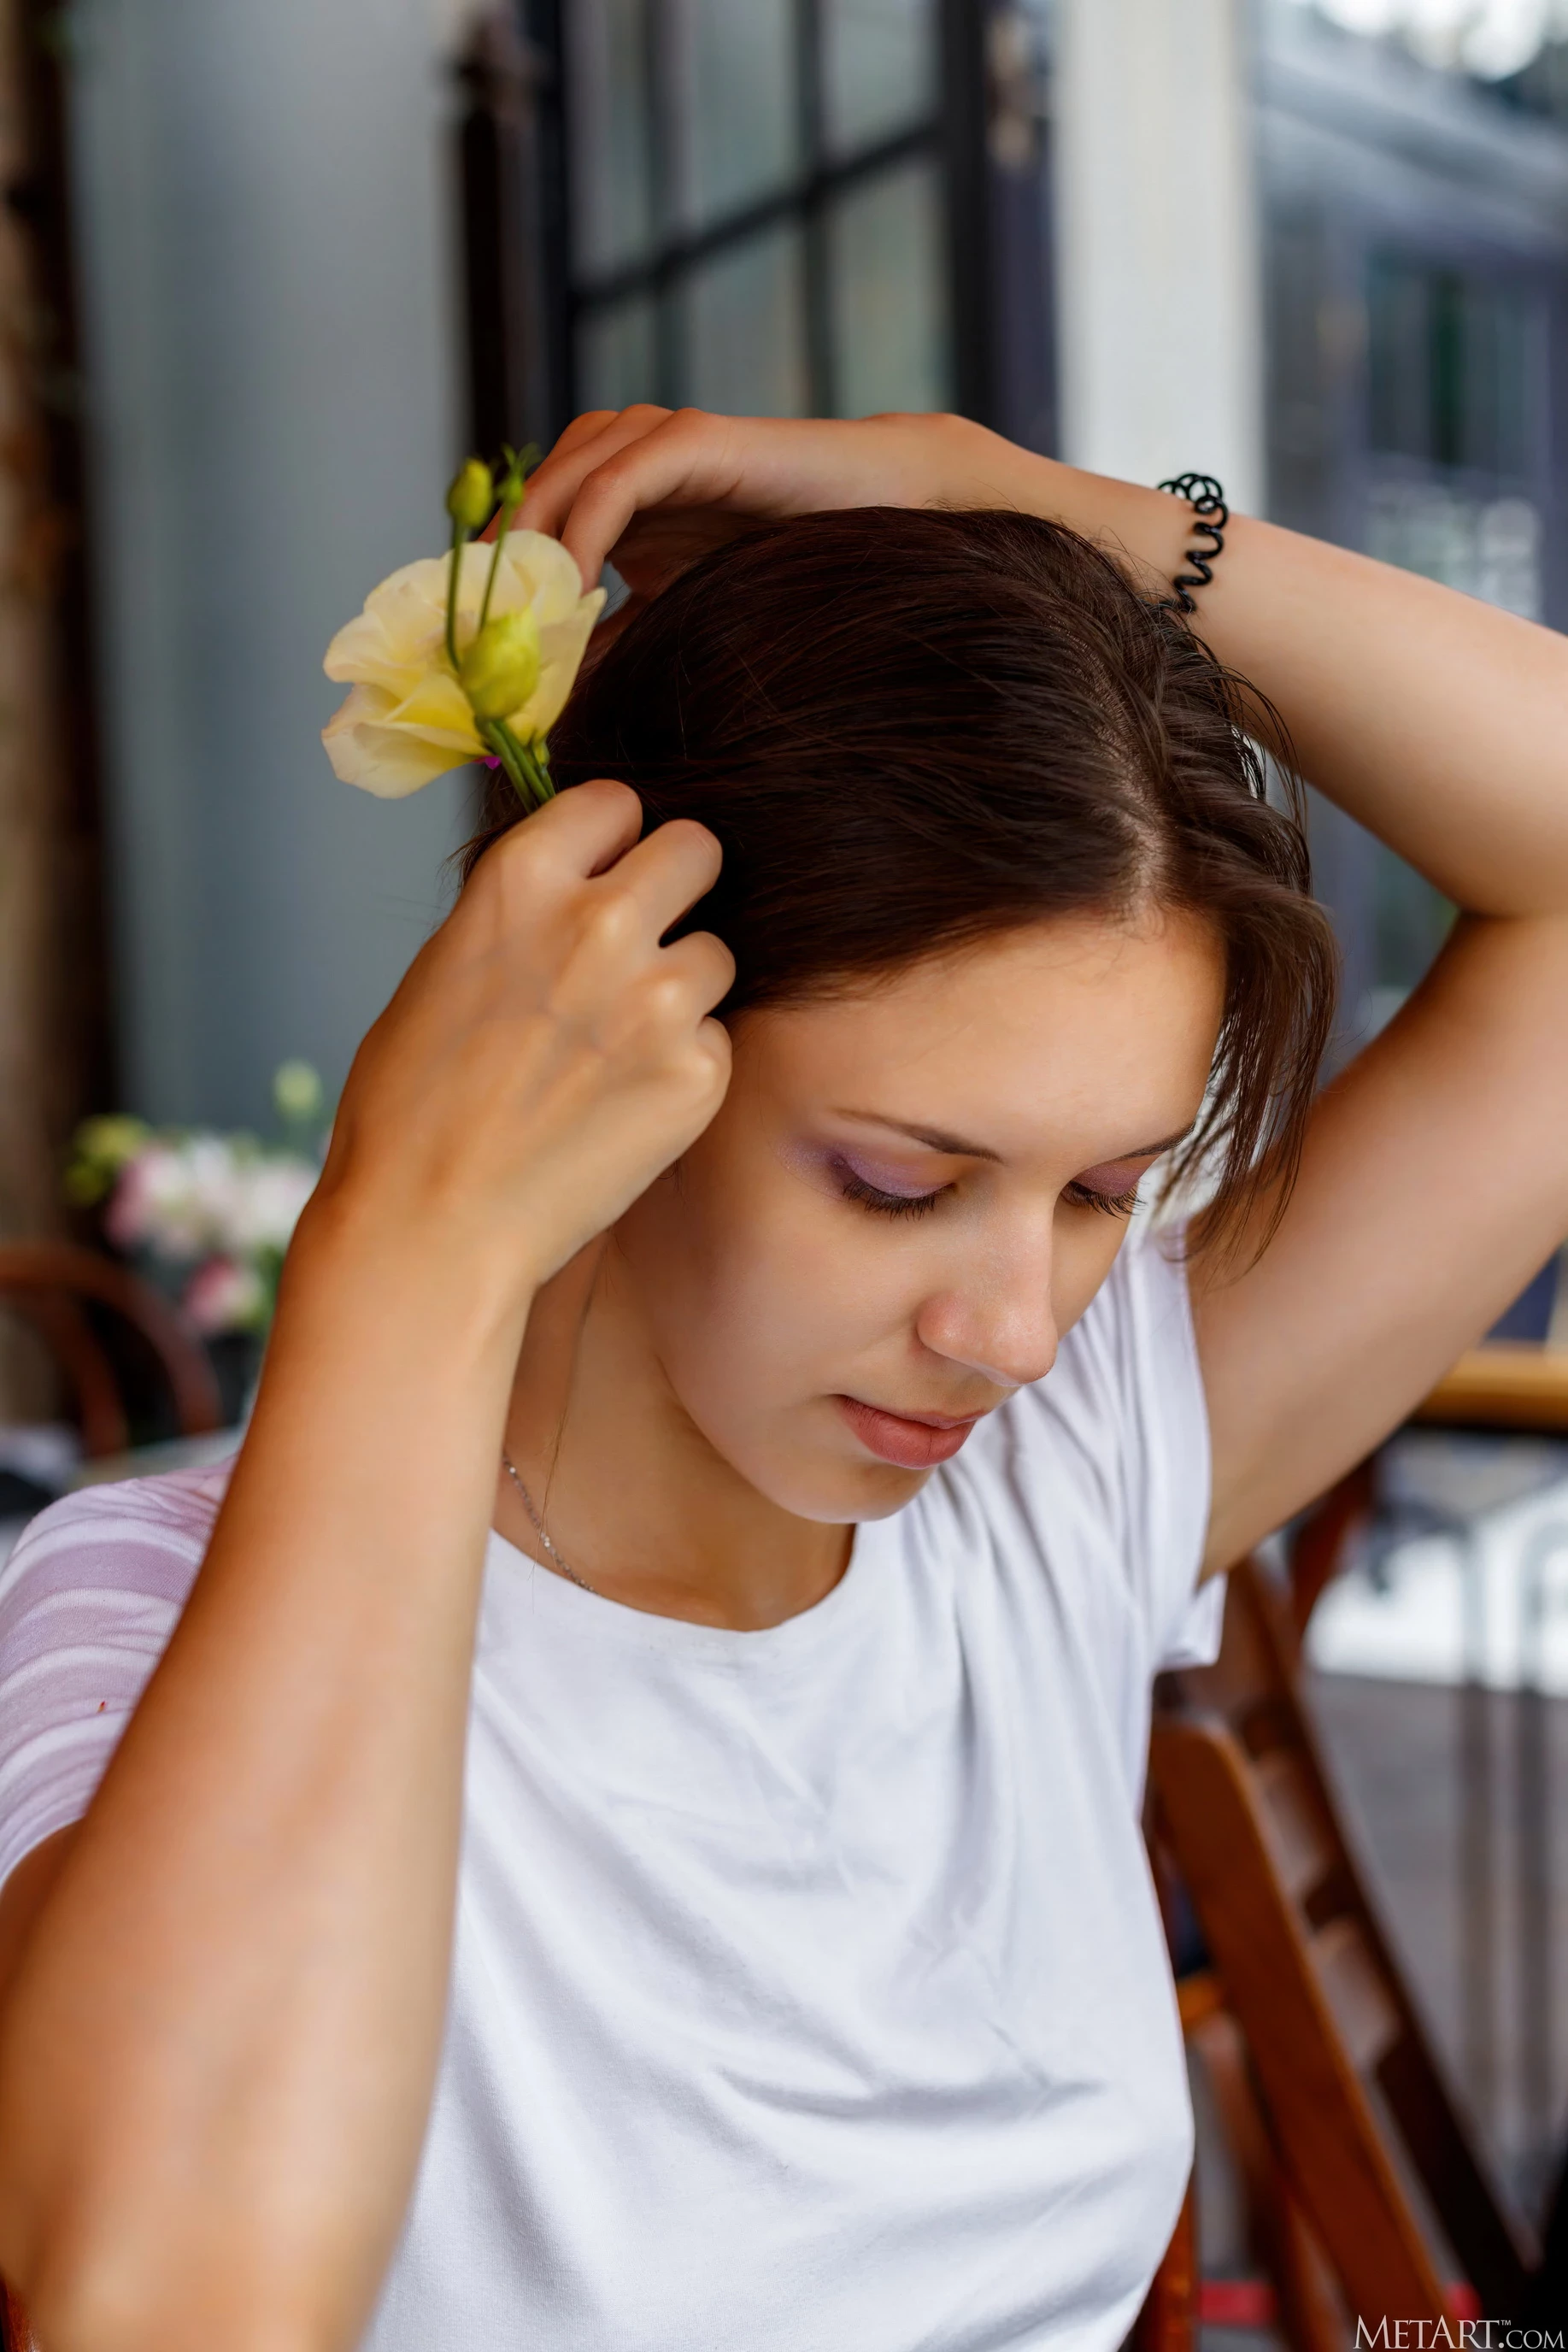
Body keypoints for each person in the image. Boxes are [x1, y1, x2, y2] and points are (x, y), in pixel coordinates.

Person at [2, 409, 1567, 2352]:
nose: (1010, 1327)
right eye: (895, 1182)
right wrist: (407, 1238)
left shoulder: (1049, 1487)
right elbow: (166, 2305)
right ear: (599, 1052)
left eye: (1098, 1192)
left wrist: (1010, 496)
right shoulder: (150, 1621)